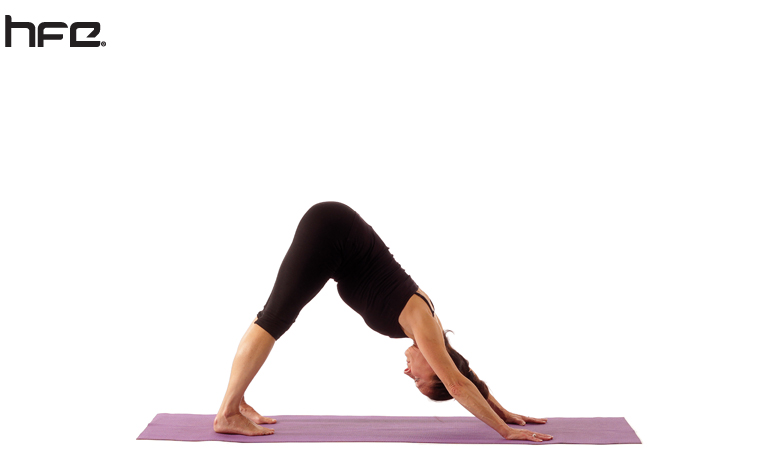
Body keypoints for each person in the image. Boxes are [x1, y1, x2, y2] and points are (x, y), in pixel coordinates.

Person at [213, 202, 551, 442]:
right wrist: (504, 430)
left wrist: (502, 409)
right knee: (274, 319)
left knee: (275, 317)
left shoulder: (430, 332)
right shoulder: (423, 325)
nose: (408, 373)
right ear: (435, 369)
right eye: (418, 379)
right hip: (333, 231)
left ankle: (238, 401)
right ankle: (228, 413)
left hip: (337, 240)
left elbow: (463, 374)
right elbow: (458, 384)